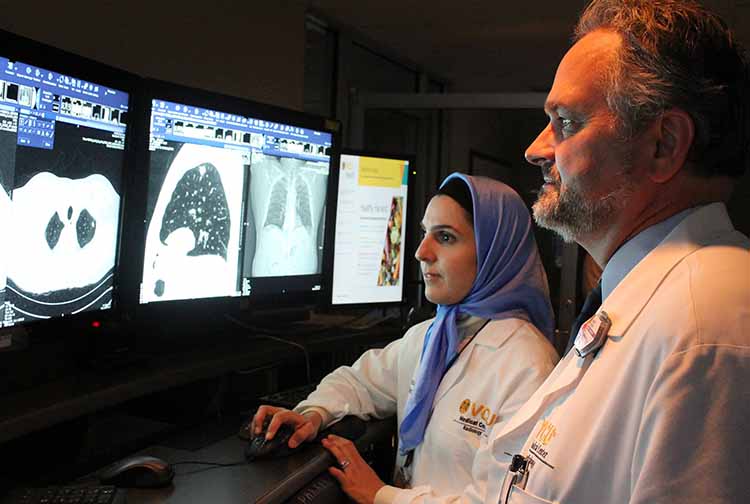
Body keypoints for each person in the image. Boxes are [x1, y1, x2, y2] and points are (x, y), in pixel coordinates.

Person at [369, 1, 749, 503]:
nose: (535, 149)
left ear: (664, 144)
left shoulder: (706, 326)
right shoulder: (646, 308)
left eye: (565, 122)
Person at [251, 172, 559, 503]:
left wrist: (381, 495)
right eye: (425, 233)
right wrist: (313, 413)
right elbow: (359, 382)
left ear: (494, 253)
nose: (421, 252)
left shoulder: (528, 367)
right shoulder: (430, 337)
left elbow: (502, 500)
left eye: (445, 237)